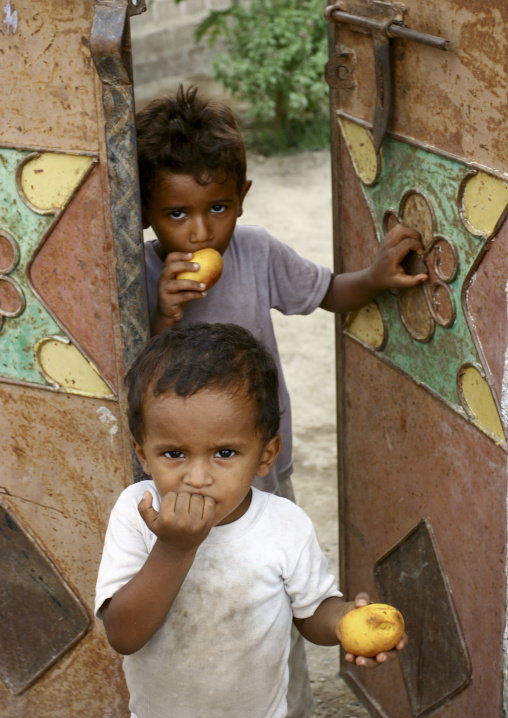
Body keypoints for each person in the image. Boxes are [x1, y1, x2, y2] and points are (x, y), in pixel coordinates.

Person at [136, 85, 425, 717]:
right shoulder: (138, 275)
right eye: (176, 214)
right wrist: (160, 315)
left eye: (218, 206)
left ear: (242, 195)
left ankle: (285, 705)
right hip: (181, 478)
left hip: (264, 470)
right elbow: (128, 375)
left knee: (274, 589)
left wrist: (374, 277)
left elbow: (325, 292)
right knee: (194, 600)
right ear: (145, 212)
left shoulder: (257, 251)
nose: (202, 229)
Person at [95, 323, 407, 718]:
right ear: (143, 454)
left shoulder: (284, 524)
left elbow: (311, 613)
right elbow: (123, 635)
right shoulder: (136, 511)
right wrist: (174, 549)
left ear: (265, 455)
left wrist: (344, 621)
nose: (197, 477)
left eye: (224, 453)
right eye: (173, 454)